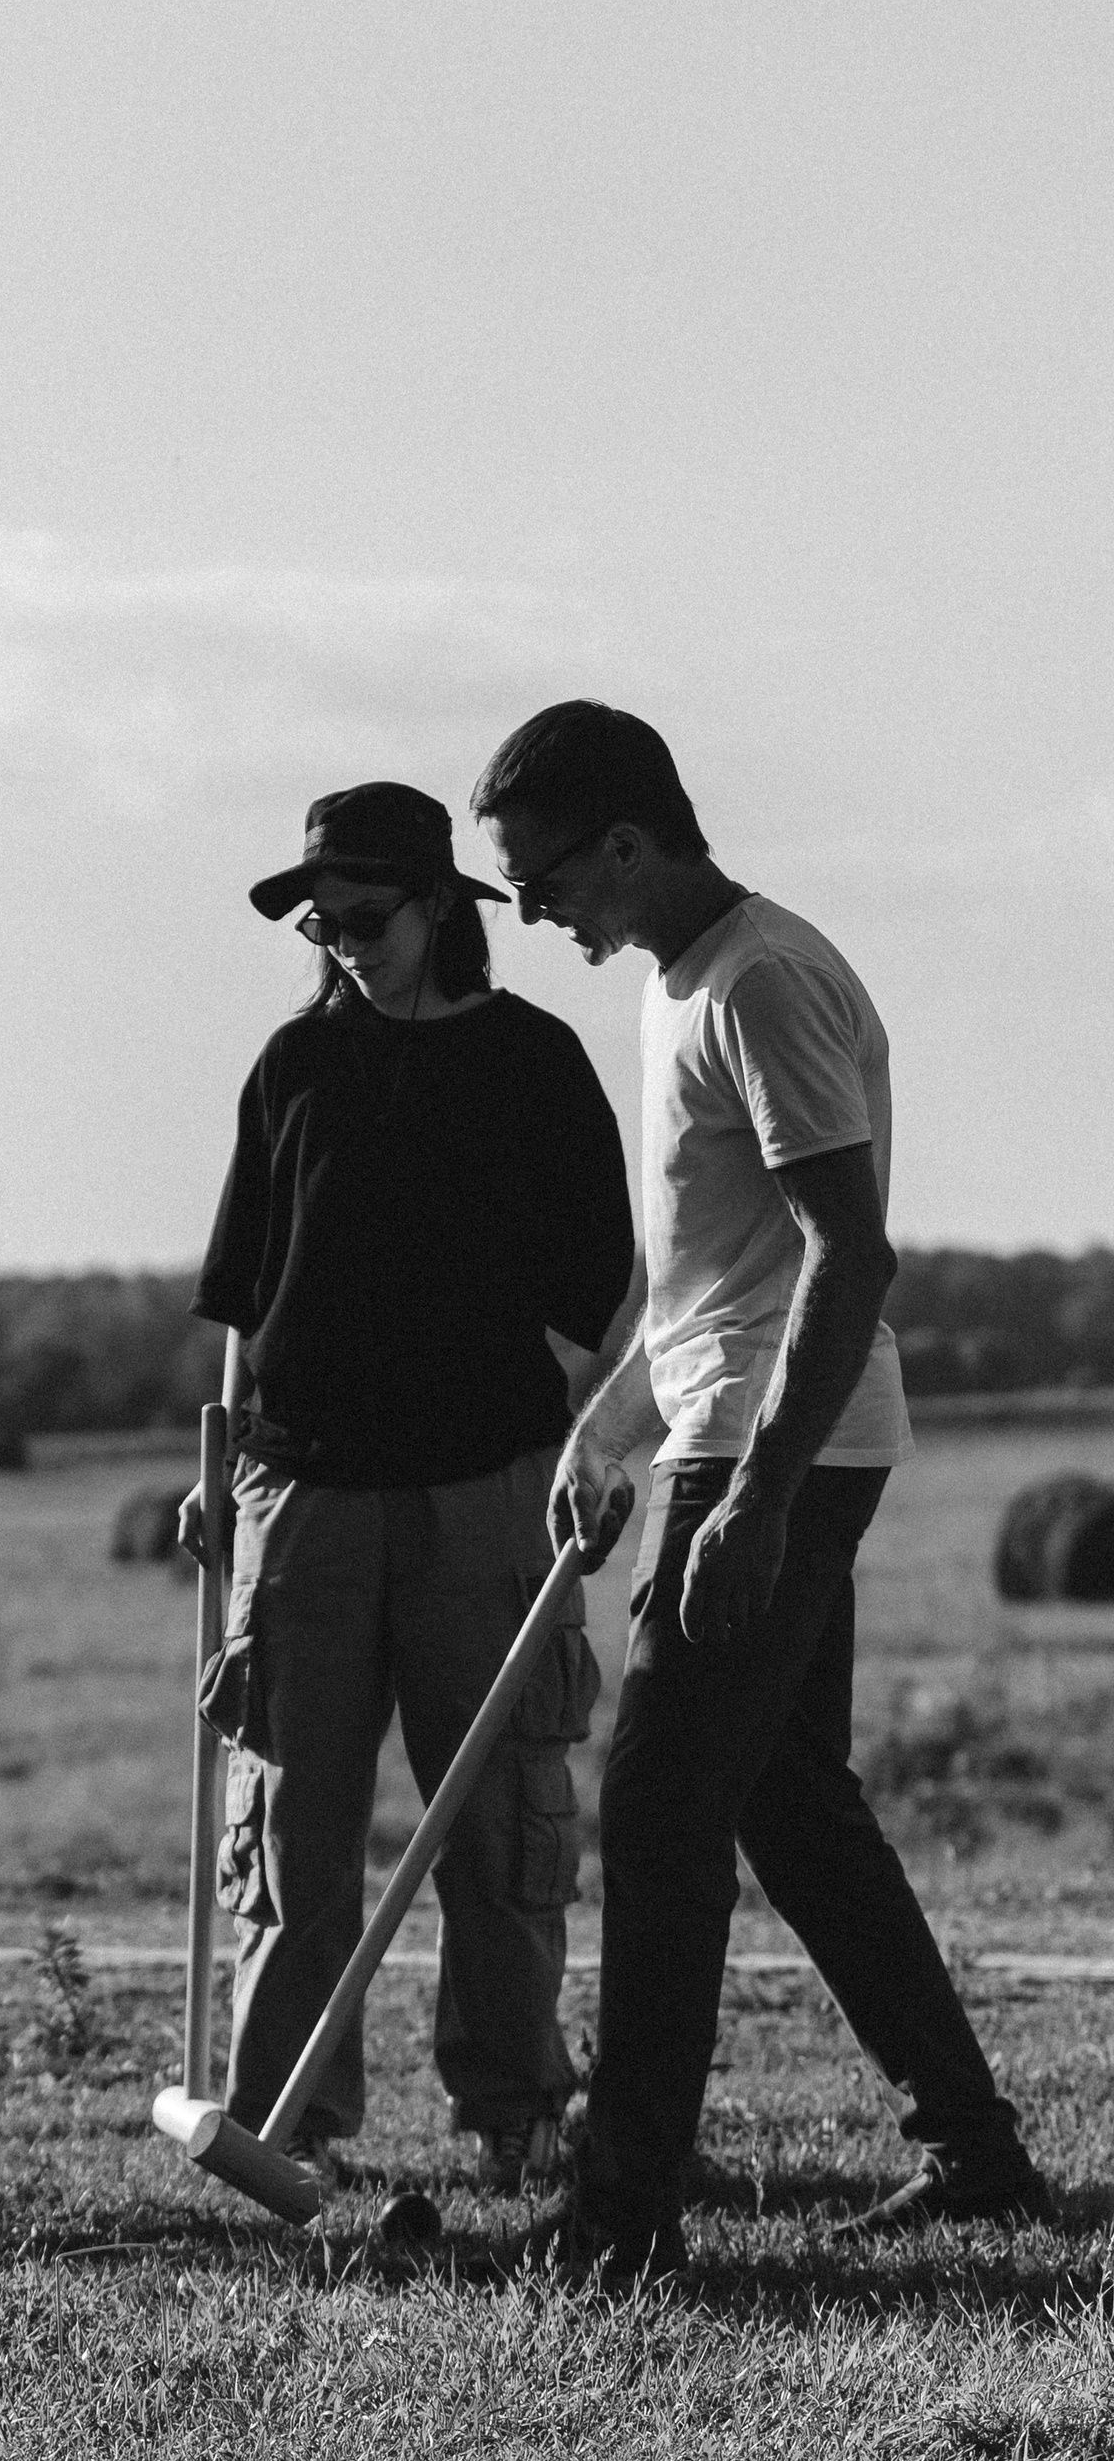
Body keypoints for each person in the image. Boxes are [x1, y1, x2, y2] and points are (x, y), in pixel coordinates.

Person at [473, 699, 1052, 2285]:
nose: (530, 910)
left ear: (628, 842)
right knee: (791, 1808)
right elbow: (707, 1288)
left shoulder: (765, 982)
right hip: (727, 1430)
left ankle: (619, 2219)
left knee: (660, 1810)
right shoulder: (675, 984)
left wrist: (758, 1499)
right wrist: (606, 1431)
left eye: (541, 877)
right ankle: (979, 2157)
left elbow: (847, 1255)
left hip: (777, 1448)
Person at [183, 783, 637, 2186]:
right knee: (289, 1837)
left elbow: (600, 1290)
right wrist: (223, 1464)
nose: (343, 944)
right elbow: (245, 1290)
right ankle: (287, 2127)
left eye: (366, 918)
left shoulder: (534, 1060)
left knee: (498, 1826)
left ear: (441, 907)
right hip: (300, 1501)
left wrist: (571, 1444)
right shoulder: (294, 1064)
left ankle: (514, 2109)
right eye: (320, 924)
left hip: (486, 1496)